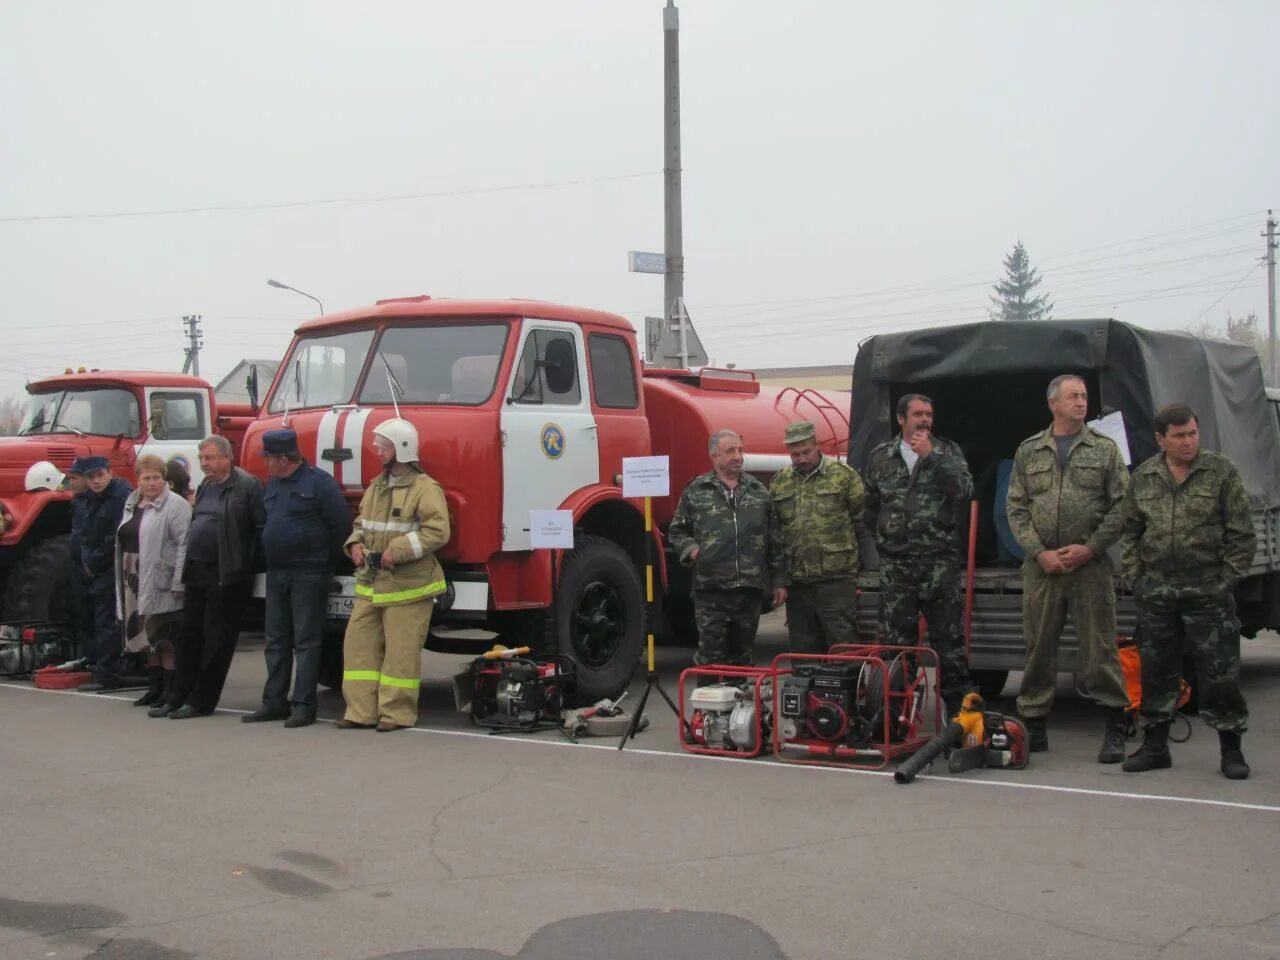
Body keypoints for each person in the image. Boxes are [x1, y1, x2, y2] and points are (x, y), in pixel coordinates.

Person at [1118, 403, 1256, 779]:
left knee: (1219, 673)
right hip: (1157, 592)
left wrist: (1225, 581)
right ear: (1161, 439)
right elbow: (1129, 530)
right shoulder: (1145, 477)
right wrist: (1136, 576)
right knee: (1156, 671)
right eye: (1179, 436)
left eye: (1192, 433)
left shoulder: (1221, 473)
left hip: (1207, 589)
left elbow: (1242, 535)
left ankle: (1231, 750)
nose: (1188, 442)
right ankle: (1155, 747)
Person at [1006, 374, 1130, 762]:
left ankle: (1116, 725)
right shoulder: (1030, 450)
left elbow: (1123, 505)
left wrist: (1091, 548)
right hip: (1043, 568)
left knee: (1100, 650)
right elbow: (1016, 506)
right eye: (1073, 396)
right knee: (1039, 648)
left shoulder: (1105, 450)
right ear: (1053, 404)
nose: (1081, 402)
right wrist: (1039, 552)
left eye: (1084, 396)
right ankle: (1035, 724)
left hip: (1089, 568)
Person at [863, 394, 976, 714]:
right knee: (895, 646)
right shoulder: (881, 456)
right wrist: (887, 539)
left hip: (938, 563)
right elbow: (869, 507)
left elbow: (965, 492)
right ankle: (894, 714)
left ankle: (958, 715)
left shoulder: (947, 452)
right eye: (918, 414)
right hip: (897, 566)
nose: (925, 419)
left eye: (929, 413)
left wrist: (931, 457)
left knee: (949, 643)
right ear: (901, 419)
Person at [338, 418, 450, 732]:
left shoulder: (424, 488)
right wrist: (355, 544)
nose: (377, 451)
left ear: (401, 449)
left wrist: (397, 550)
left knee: (400, 655)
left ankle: (396, 714)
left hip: (409, 587)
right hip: (372, 583)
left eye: (383, 446)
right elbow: (362, 522)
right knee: (358, 647)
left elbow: (437, 532)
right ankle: (360, 711)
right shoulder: (377, 485)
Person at [243, 429, 352, 728]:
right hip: (278, 571)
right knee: (275, 640)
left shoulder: (319, 483)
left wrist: (324, 562)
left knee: (306, 641)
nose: (265, 463)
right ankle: (274, 701)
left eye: (269, 458)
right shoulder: (274, 485)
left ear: (283, 458)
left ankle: (304, 705)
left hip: (309, 571)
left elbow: (340, 527)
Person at [156, 435, 264, 720]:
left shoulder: (246, 486)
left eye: (210, 458)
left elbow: (259, 528)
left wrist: (244, 563)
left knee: (216, 640)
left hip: (226, 573)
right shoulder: (205, 486)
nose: (204, 463)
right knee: (189, 635)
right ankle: (177, 696)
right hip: (197, 569)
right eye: (202, 458)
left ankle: (202, 701)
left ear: (227, 457)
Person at [668, 429, 779, 668]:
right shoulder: (697, 490)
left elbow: (775, 538)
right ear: (714, 456)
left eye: (740, 450)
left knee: (742, 658)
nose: (738, 456)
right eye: (730, 451)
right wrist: (693, 551)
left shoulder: (759, 491)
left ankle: (740, 703)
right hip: (711, 591)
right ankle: (708, 705)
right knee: (710, 658)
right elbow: (677, 531)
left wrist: (780, 581)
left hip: (749, 591)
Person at [769, 420, 863, 654]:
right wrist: (779, 579)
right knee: (803, 648)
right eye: (795, 454)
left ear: (817, 445)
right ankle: (808, 690)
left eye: (806, 452)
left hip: (836, 579)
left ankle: (848, 689)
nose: (801, 459)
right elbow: (775, 531)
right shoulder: (780, 482)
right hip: (798, 582)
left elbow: (862, 518)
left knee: (843, 644)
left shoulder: (843, 476)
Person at [115, 454, 189, 709]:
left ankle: (171, 690)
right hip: (131, 575)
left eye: (157, 477)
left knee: (164, 637)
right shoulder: (132, 502)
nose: (152, 483)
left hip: (160, 579)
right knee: (145, 638)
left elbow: (183, 544)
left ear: (164, 478)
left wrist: (179, 581)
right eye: (146, 478)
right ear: (138, 480)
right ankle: (154, 688)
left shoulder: (176, 505)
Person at [78, 457, 133, 692]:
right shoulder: (91, 500)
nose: (96, 481)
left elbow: (117, 535)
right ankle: (106, 668)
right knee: (100, 620)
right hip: (96, 568)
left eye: (100, 475)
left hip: (113, 567)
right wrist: (86, 559)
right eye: (91, 477)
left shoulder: (120, 496)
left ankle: (109, 674)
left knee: (109, 621)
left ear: (109, 473)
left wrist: (95, 560)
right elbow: (84, 534)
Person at [63, 459, 95, 664]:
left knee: (96, 616)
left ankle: (100, 660)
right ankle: (88, 656)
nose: (71, 482)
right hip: (77, 565)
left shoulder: (93, 502)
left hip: (90, 566)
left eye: (74, 478)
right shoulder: (78, 501)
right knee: (82, 614)